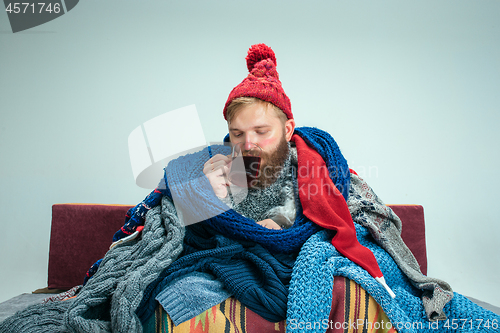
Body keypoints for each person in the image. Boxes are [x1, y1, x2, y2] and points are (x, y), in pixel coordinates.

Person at [2, 43, 499, 333]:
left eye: (261, 132)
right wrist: (202, 198)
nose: (249, 143)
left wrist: (284, 226)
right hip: (235, 258)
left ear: (286, 128)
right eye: (238, 134)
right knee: (180, 288)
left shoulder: (317, 166)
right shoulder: (219, 166)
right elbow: (174, 227)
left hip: (300, 253)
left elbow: (357, 217)